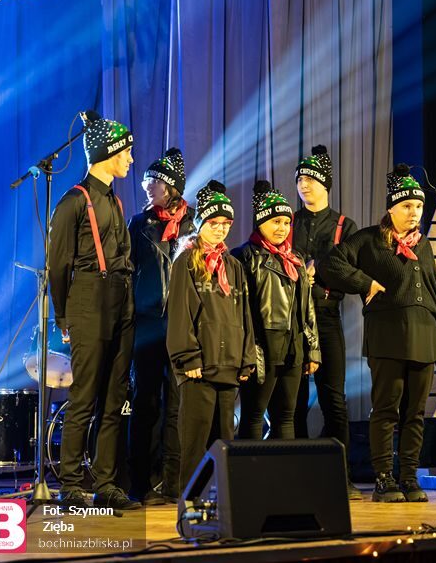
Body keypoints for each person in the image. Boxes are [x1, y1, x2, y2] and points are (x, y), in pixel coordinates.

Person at [319, 164, 436, 503]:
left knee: (415, 414)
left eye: (418, 206)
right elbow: (331, 264)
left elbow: (434, 294)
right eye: (406, 206)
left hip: (424, 337)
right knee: (387, 409)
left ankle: (409, 477)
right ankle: (383, 478)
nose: (414, 212)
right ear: (391, 208)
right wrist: (365, 283)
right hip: (388, 335)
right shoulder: (369, 240)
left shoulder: (423, 246)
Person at [47, 111, 140, 509]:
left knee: (115, 397)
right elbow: (58, 266)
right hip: (87, 303)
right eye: (126, 152)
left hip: (121, 303)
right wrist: (63, 317)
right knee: (85, 396)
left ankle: (106, 482)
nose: (131, 159)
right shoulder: (74, 201)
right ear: (107, 152)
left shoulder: (114, 201)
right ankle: (70, 483)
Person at [167, 180, 255, 491]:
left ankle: (222, 499)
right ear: (200, 222)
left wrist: (246, 358)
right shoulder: (186, 262)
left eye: (225, 224)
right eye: (213, 222)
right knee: (196, 439)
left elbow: (244, 315)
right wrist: (187, 356)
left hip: (229, 364)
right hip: (199, 367)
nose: (220, 229)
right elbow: (180, 313)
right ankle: (190, 500)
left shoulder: (233, 266)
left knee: (224, 439)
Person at [291, 145, 360, 498]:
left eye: (310, 179)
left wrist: (321, 269)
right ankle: (297, 476)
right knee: (294, 400)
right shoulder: (288, 221)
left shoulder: (344, 226)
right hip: (292, 319)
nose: (304, 185)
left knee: (334, 399)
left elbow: (351, 271)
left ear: (325, 184)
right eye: (300, 180)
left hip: (327, 316)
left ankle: (339, 476)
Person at [128, 147, 194, 505]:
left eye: (153, 181)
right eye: (145, 181)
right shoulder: (139, 224)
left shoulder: (194, 225)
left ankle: (175, 482)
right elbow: (128, 273)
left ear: (171, 186)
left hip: (182, 324)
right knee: (146, 403)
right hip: (149, 323)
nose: (147, 186)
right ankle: (141, 482)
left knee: (179, 406)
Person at [234, 180, 320, 440]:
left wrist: (312, 350)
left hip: (293, 348)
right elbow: (239, 310)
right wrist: (247, 352)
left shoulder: (295, 259)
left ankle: (284, 466)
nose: (282, 228)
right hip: (262, 348)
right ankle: (250, 467)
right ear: (260, 222)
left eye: (286, 223)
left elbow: (308, 309)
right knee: (253, 415)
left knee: (287, 416)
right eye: (275, 222)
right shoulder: (245, 256)